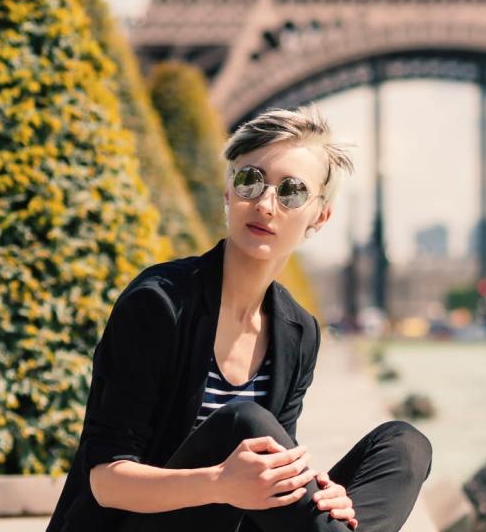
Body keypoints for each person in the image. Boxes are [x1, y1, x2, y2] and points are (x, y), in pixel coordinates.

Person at [47, 105, 432, 532]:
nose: (266, 204)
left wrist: (325, 496)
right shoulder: (158, 304)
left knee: (404, 444)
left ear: (319, 216)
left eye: (291, 192)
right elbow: (105, 482)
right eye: (250, 180)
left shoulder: (298, 331)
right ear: (229, 191)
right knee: (242, 423)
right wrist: (219, 483)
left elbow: (277, 468)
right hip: (129, 524)